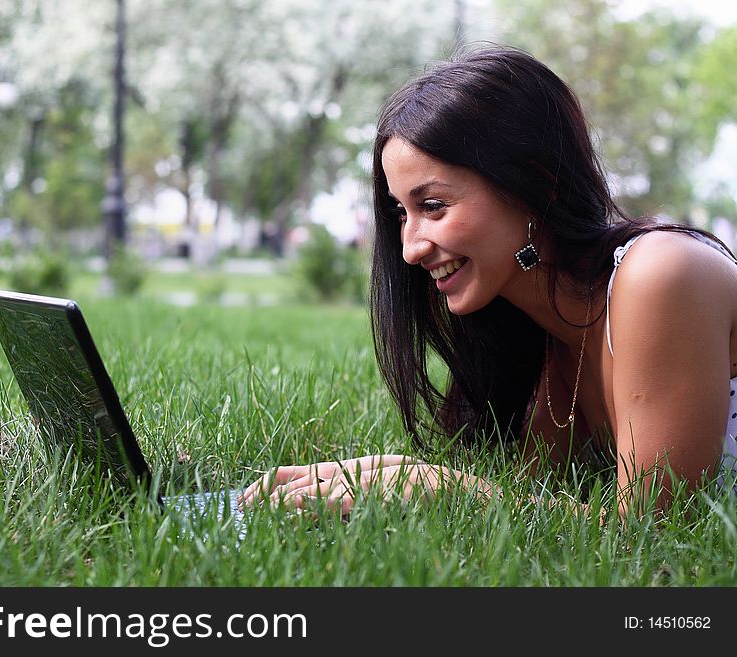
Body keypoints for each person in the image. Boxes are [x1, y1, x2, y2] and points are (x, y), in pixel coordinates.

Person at [239, 45, 737, 519]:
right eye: (401, 212)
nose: (411, 248)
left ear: (535, 185)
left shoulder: (663, 271)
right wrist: (387, 481)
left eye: (433, 206)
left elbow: (654, 531)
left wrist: (447, 489)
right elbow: (548, 509)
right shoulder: (557, 345)